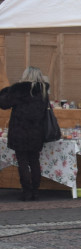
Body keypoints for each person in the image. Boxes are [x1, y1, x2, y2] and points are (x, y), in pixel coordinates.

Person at [0, 67, 50, 201]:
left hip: (19, 131)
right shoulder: (43, 91)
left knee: (22, 162)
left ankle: (27, 192)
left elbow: (3, 104)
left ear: (25, 76)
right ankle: (35, 191)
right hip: (37, 132)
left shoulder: (19, 90)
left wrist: (6, 90)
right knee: (34, 161)